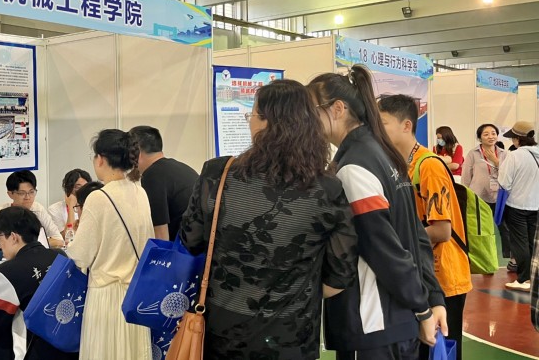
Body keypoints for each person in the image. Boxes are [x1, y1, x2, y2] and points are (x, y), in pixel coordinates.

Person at [179, 80, 358, 359]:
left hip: (222, 331)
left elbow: (190, 242)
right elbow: (341, 275)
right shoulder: (327, 189)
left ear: (265, 122)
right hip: (292, 337)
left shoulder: (217, 174)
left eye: (252, 114)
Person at [307, 65, 446, 360]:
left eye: (311, 110)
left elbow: (383, 249)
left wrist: (423, 307)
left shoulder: (354, 167)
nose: (306, 119)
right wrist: (431, 297)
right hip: (395, 317)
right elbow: (416, 236)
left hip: (373, 320)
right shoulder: (383, 153)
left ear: (337, 109)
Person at [379, 95, 472, 359]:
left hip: (444, 278)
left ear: (406, 125)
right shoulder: (401, 164)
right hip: (422, 274)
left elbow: (442, 230)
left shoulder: (428, 165)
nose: (377, 129)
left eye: (383, 123)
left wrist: (393, 242)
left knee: (439, 352)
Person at [66, 129, 155, 360]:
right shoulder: (140, 192)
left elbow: (80, 255)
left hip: (106, 296)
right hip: (134, 294)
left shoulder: (98, 197)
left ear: (101, 159)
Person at [0, 206, 76, 360]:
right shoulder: (60, 256)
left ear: (13, 237)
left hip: (33, 351)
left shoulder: (8, 272)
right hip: (70, 344)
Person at [129, 125, 199, 241]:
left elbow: (161, 236)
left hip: (184, 247)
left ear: (138, 153)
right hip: (202, 244)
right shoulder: (180, 168)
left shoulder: (152, 176)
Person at [462, 124, 513, 269]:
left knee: (504, 228)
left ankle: (509, 258)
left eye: (493, 133)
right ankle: (480, 257)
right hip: (479, 197)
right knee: (480, 228)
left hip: (499, 196)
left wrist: (496, 161)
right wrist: (466, 194)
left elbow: (509, 174)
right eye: (486, 134)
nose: (491, 136)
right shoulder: (473, 154)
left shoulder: (504, 154)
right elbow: (466, 176)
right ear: (480, 138)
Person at [498, 121, 539, 292]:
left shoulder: (514, 156)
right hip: (536, 205)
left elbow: (504, 182)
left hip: (516, 205)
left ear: (517, 139)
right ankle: (534, 279)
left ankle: (524, 279)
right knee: (532, 243)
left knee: (519, 242)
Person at [0, 170, 64, 249]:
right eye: (22, 193)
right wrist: (40, 242)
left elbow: (59, 240)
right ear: (10, 194)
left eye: (31, 192)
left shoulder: (38, 209)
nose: (28, 197)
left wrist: (27, 244)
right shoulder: (0, 213)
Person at [46, 169, 92, 235]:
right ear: (68, 188)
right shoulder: (54, 209)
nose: (83, 190)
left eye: (86, 187)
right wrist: (71, 206)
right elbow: (65, 237)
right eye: (78, 187)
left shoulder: (91, 206)